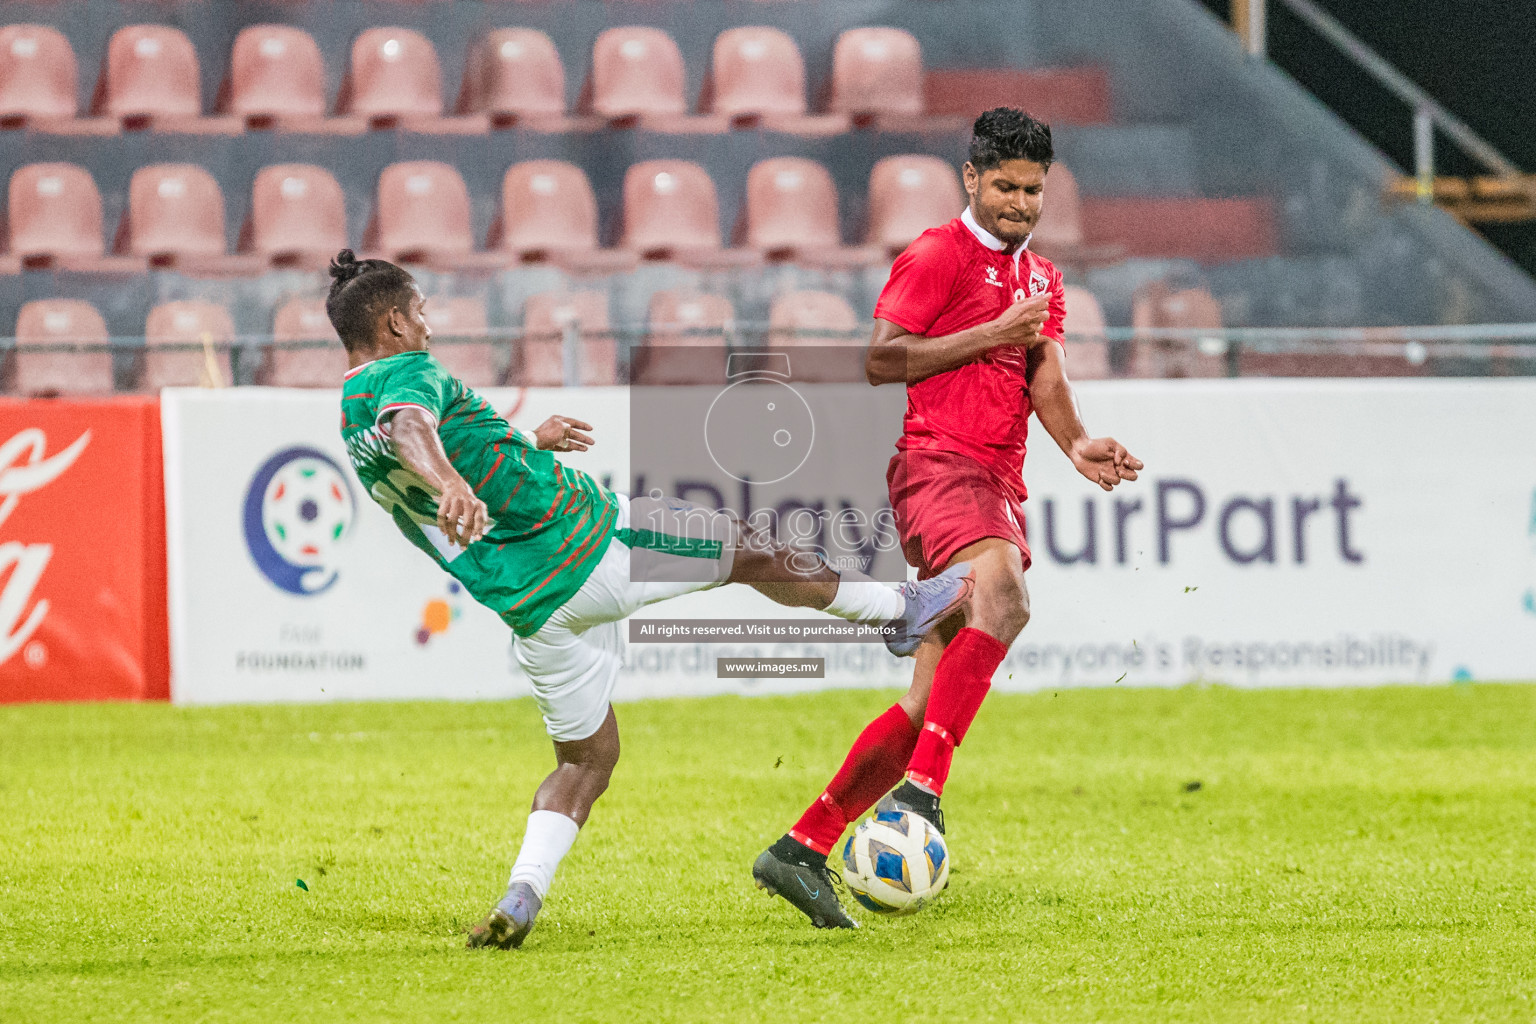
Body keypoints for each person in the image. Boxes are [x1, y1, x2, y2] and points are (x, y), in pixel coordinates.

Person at [327, 250, 975, 949]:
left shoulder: (349, 410)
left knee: (586, 760)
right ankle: (899, 612)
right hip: (589, 548)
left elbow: (415, 431)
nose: (427, 324)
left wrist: (525, 439)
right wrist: (451, 480)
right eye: (420, 312)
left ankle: (522, 894)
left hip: (533, 612)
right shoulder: (408, 378)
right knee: (749, 547)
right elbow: (413, 427)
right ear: (393, 322)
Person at [752, 108, 1144, 929]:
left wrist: (1075, 444)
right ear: (971, 179)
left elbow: (1046, 374)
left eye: (1033, 189)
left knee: (927, 703)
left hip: (998, 477)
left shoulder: (1042, 276)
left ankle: (801, 846)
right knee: (1004, 599)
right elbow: (879, 360)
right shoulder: (936, 255)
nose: (1020, 203)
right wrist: (988, 330)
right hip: (939, 466)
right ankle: (924, 795)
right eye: (1005, 185)